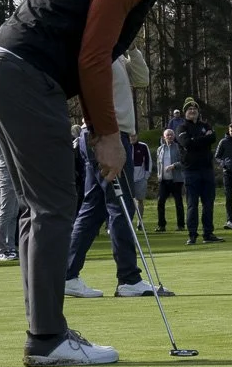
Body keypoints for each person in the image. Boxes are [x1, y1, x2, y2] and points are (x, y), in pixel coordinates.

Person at [0, 0, 210, 367]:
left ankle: (45, 333)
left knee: (40, 208)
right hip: (23, 75)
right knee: (53, 206)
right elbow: (94, 58)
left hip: (2, 71)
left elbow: (93, 55)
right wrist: (106, 135)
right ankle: (47, 338)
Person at [64, 121, 163, 300]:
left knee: (93, 209)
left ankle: (67, 274)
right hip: (109, 134)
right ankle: (129, 279)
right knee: (121, 207)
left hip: (96, 134)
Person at [174, 100, 221, 245]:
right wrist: (204, 139)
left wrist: (196, 140)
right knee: (192, 204)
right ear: (185, 112)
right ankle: (192, 234)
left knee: (208, 203)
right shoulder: (181, 127)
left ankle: (208, 233)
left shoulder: (205, 125)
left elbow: (213, 138)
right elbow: (187, 143)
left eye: (195, 109)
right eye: (189, 109)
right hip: (191, 171)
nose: (192, 111)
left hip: (207, 169)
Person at [0, 129, 21, 260]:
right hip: (5, 170)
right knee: (6, 211)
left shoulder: (6, 127)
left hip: (15, 170)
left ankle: (10, 246)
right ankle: (1, 249)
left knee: (14, 212)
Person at [154, 128, 183, 232]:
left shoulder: (178, 147)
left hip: (176, 180)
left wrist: (173, 166)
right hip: (164, 180)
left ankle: (181, 225)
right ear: (164, 137)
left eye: (171, 135)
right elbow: (158, 164)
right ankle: (161, 225)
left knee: (178, 203)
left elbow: (184, 161)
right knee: (160, 202)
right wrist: (159, 175)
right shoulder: (160, 149)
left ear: (174, 136)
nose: (169, 136)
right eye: (168, 135)